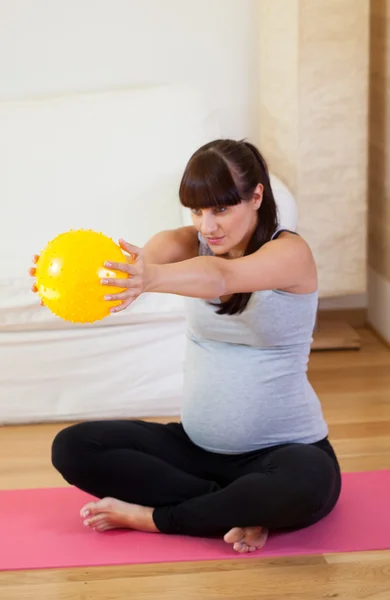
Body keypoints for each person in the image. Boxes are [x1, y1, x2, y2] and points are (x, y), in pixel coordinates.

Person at [30, 139, 341, 554]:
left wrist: (152, 279)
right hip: (194, 450)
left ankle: (155, 518)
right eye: (197, 210)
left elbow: (222, 277)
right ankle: (234, 507)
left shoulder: (290, 253)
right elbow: (139, 262)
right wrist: (69, 279)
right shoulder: (188, 241)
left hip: (285, 452)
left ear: (256, 196)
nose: (207, 226)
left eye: (221, 208)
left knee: (307, 484)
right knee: (73, 448)